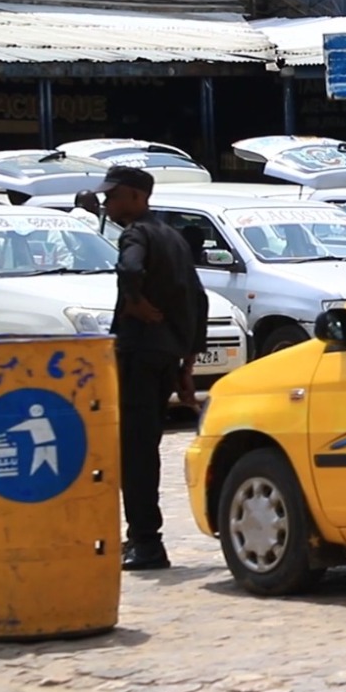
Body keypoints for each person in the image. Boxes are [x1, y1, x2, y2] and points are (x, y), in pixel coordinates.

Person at [101, 166, 208, 572]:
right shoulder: (174, 238)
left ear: (135, 196)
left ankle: (145, 542)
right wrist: (187, 363)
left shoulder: (136, 235)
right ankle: (145, 538)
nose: (108, 204)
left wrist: (134, 303)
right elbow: (199, 301)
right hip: (166, 357)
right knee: (147, 446)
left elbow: (129, 269)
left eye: (113, 196)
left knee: (136, 451)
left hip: (139, 354)